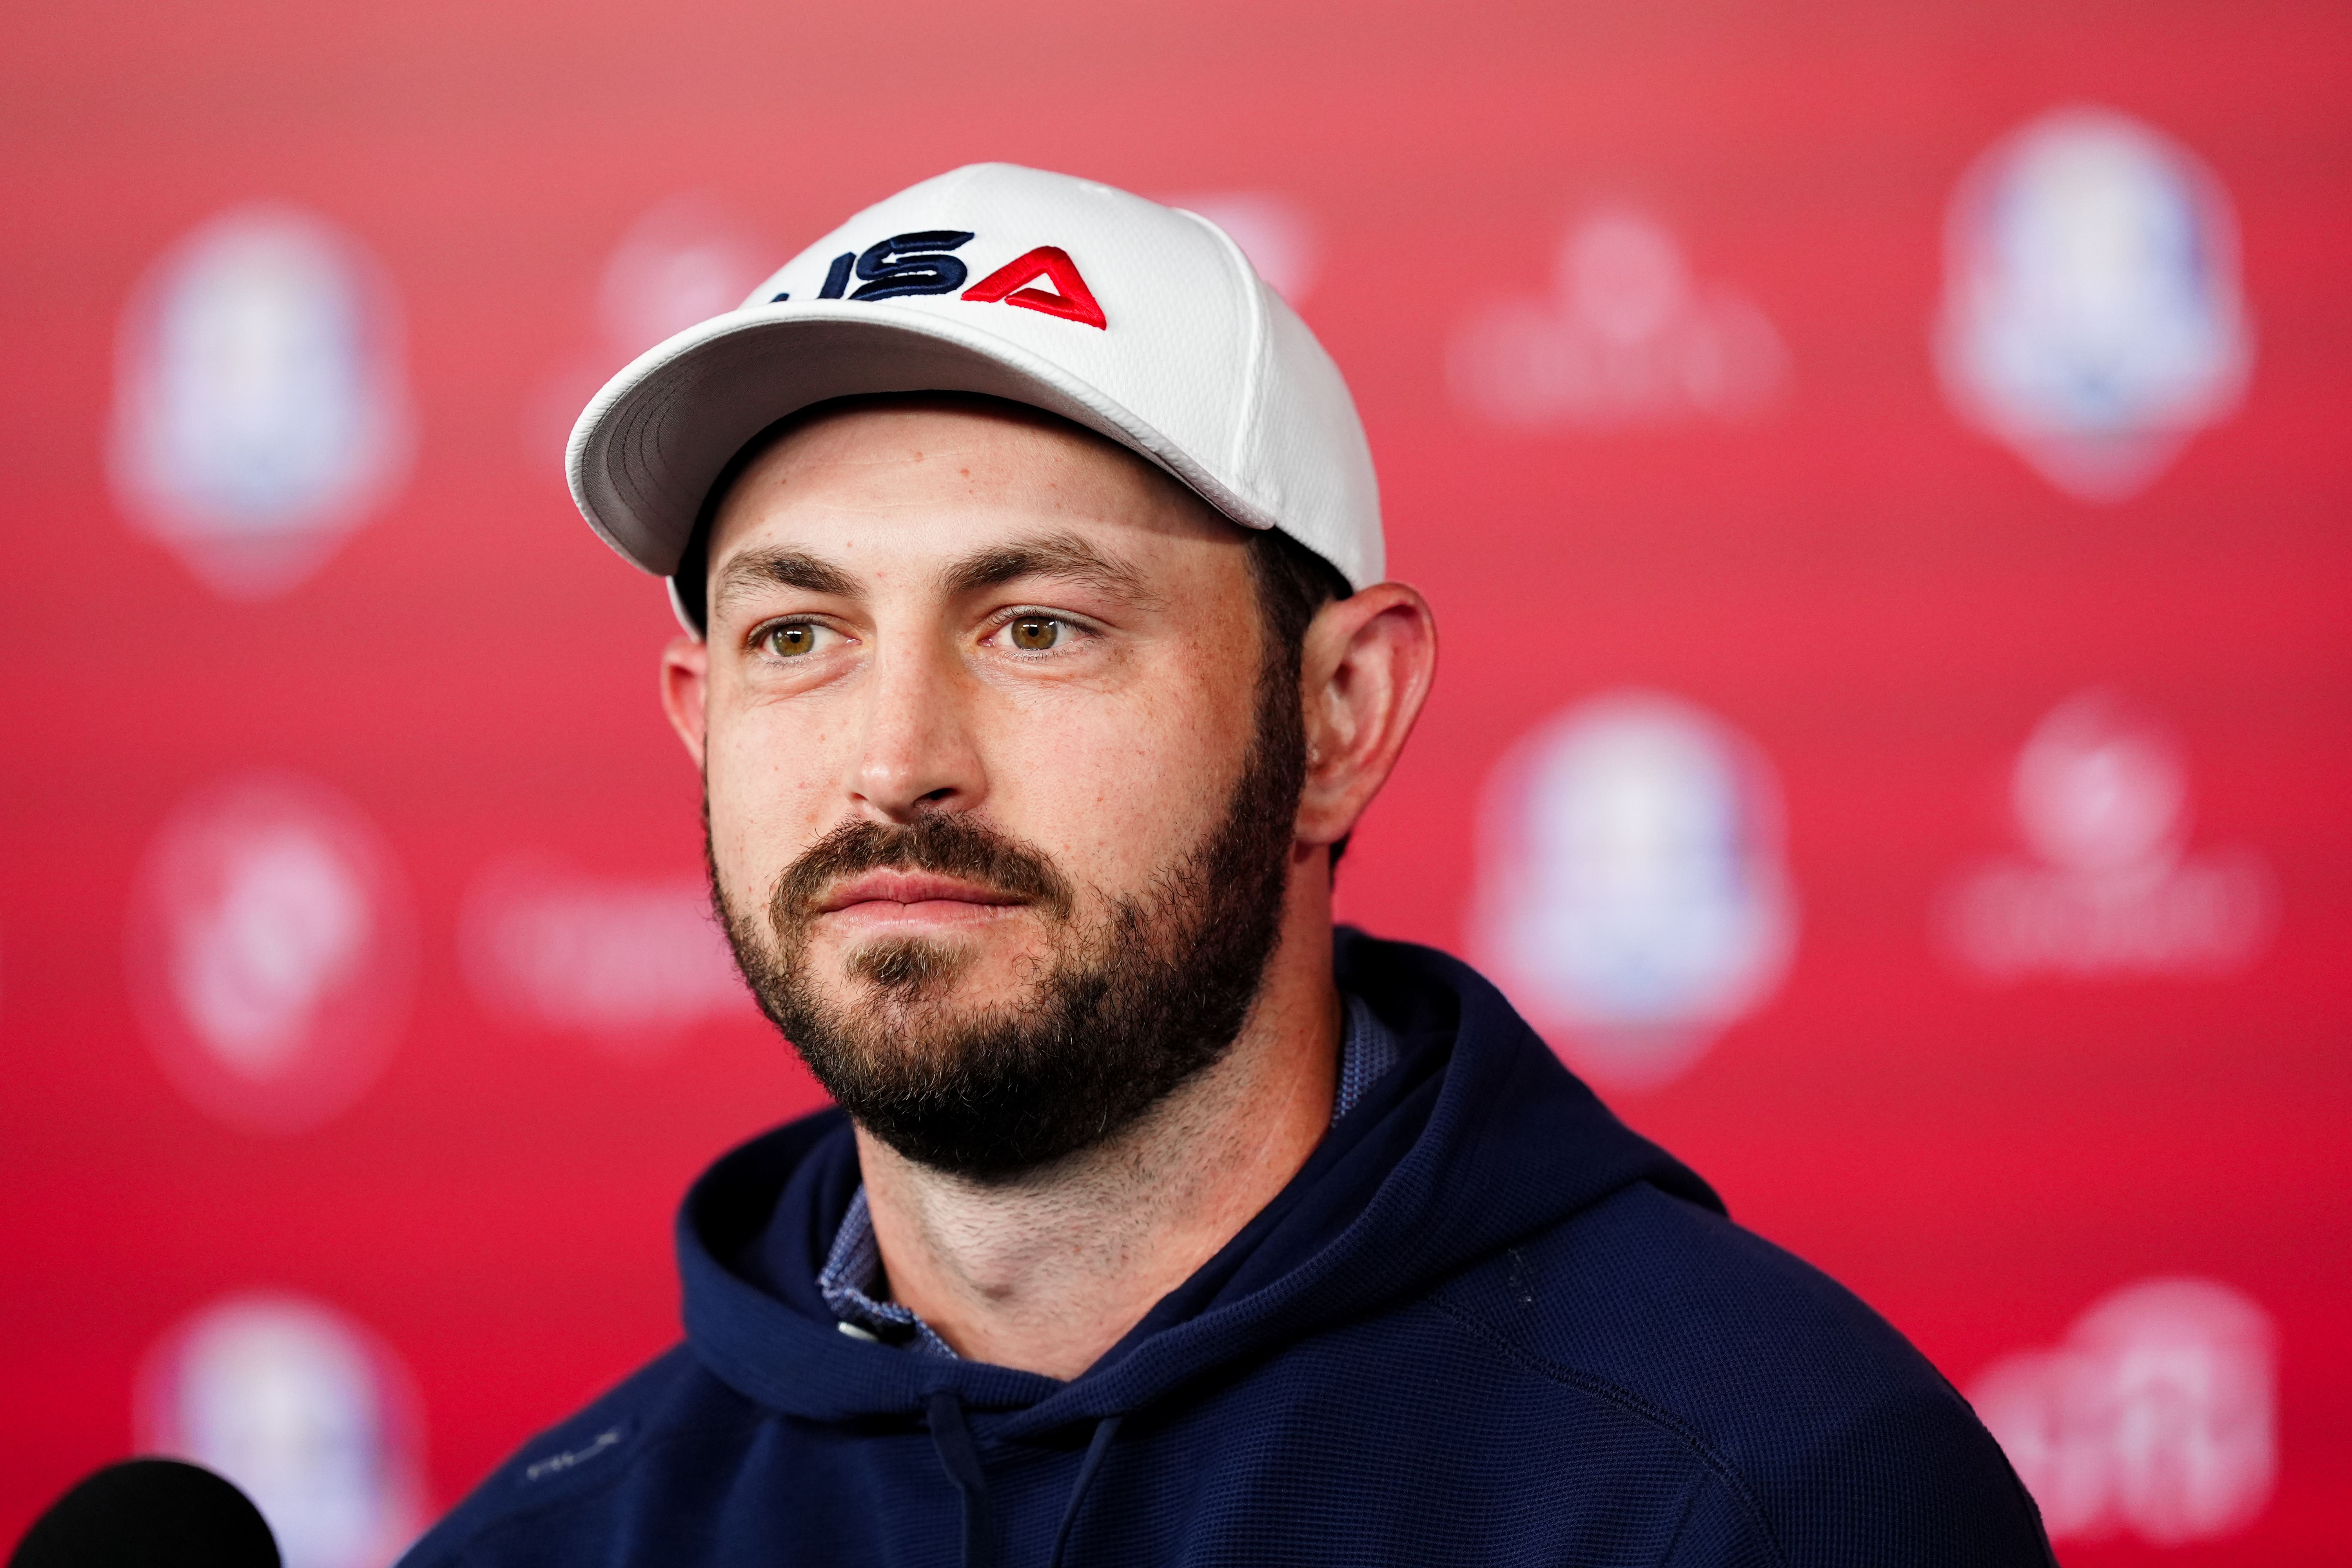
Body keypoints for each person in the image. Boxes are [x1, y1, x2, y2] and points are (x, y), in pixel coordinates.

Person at [401, 164, 2053, 1567]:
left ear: (1344, 711)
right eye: (798, 633)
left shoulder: (1766, 1492)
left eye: (1039, 624)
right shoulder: (548, 1541)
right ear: (700, 716)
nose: (895, 759)